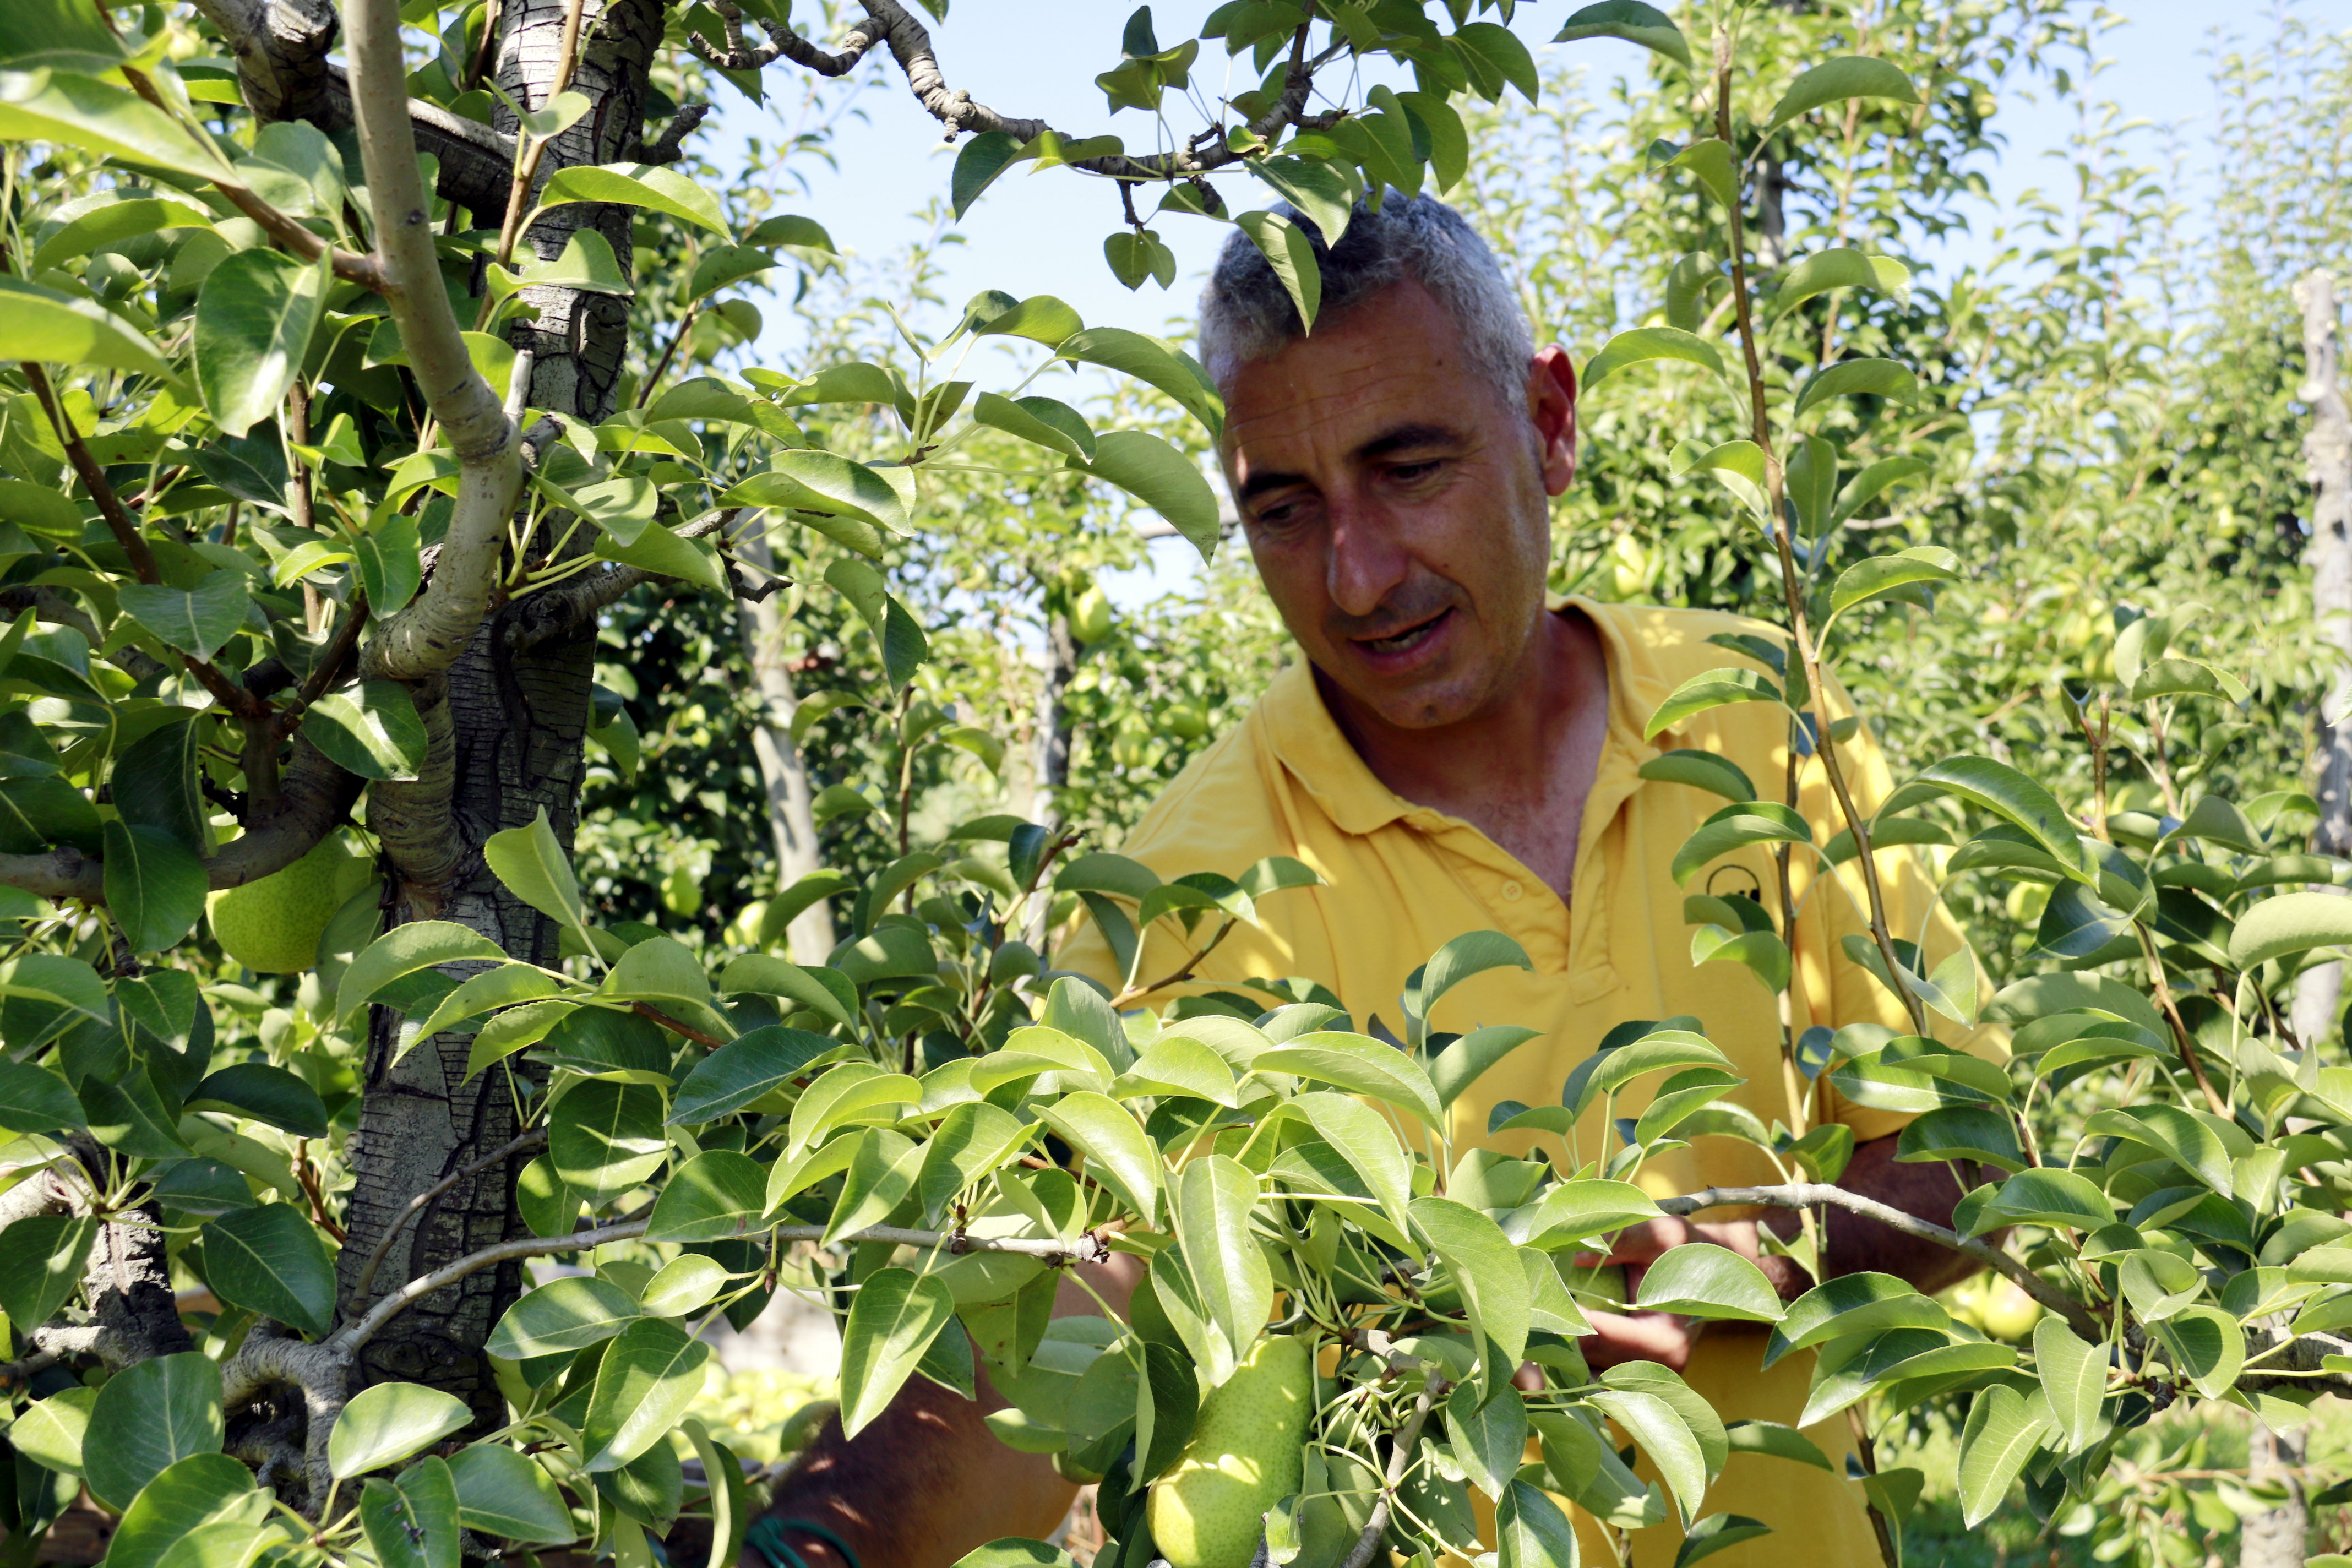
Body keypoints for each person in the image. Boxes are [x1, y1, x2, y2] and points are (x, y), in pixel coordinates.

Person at [754, 194, 1999, 1568]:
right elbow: (1064, 1308)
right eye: (1283, 508)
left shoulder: (1757, 715)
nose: (1355, 576)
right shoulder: (1184, 884)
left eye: (1409, 469)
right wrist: (816, 1543)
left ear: (1551, 421)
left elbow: (1972, 1144)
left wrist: (1774, 1251)